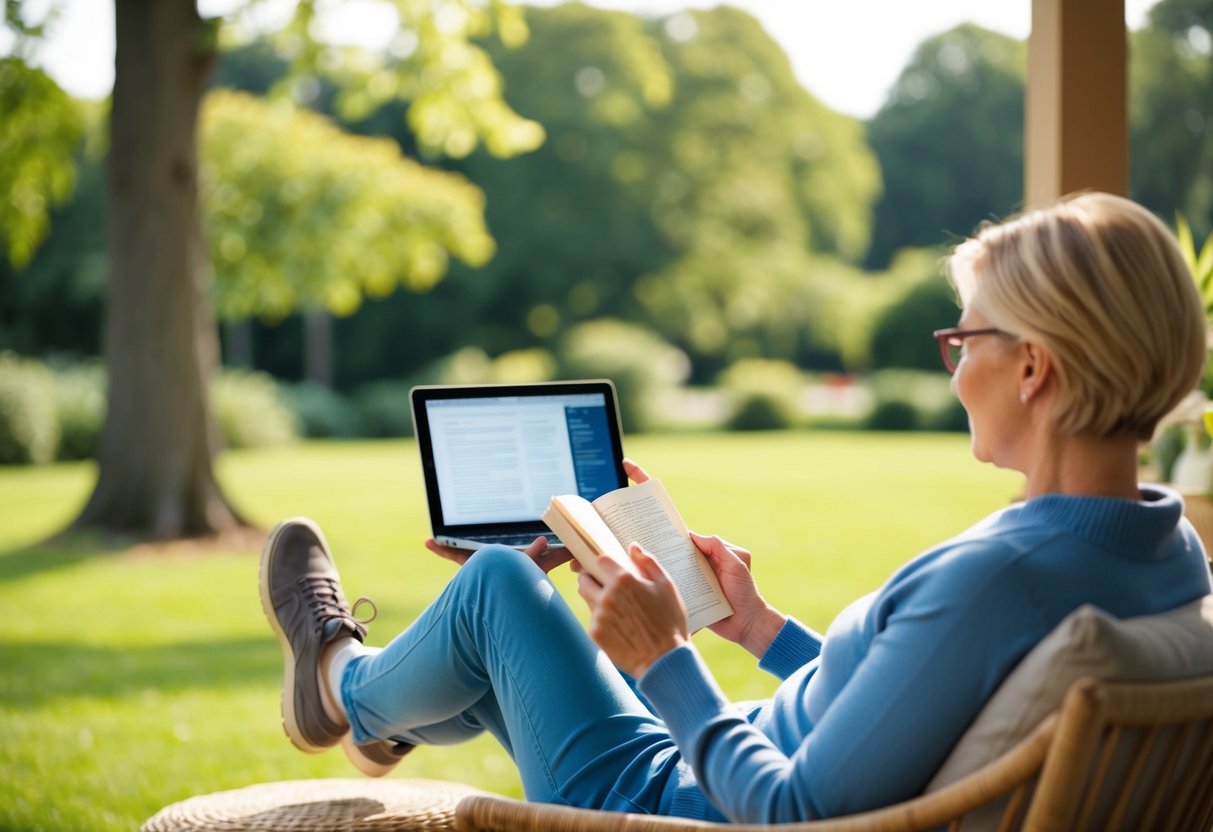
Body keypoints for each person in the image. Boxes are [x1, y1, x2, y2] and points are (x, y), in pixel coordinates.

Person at [259, 192, 1213, 823]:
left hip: (667, 805)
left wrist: (665, 657)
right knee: (510, 614)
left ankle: (342, 682)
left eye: (961, 340)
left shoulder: (1001, 579)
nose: (956, 370)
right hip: (732, 749)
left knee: (502, 582)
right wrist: (757, 629)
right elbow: (915, 708)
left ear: (1034, 368)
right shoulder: (1166, 553)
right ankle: (387, 710)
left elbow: (792, 814)